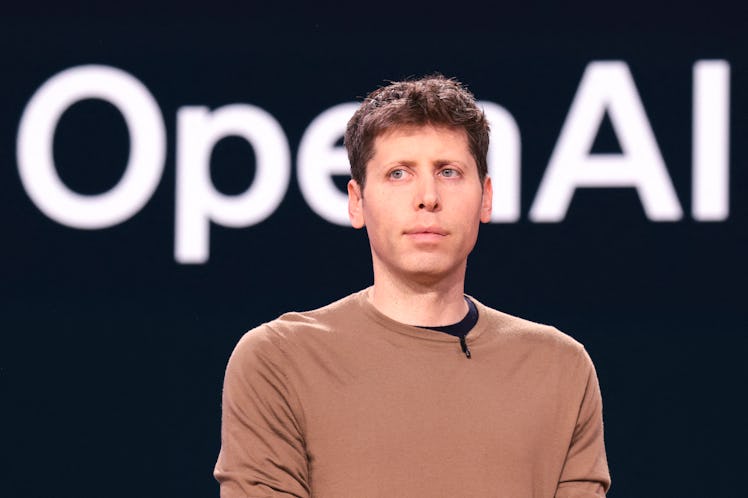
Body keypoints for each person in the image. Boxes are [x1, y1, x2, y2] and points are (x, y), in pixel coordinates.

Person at [214, 75, 611, 497]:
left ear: (486, 197)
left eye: (449, 172)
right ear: (357, 201)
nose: (428, 197)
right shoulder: (279, 361)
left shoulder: (559, 369)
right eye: (399, 173)